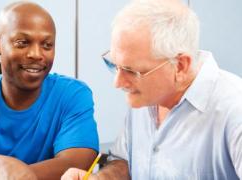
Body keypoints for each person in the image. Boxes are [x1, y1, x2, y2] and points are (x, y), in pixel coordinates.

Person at [61, 0, 242, 179]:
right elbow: (123, 161)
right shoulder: (146, 98)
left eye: (131, 71)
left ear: (180, 66)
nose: (118, 82)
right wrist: (103, 177)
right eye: (115, 65)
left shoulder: (234, 110)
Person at [0, 1, 99, 180]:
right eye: (22, 43)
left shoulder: (72, 95)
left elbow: (76, 162)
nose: (36, 53)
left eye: (47, 45)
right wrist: (2, 166)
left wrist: (13, 174)